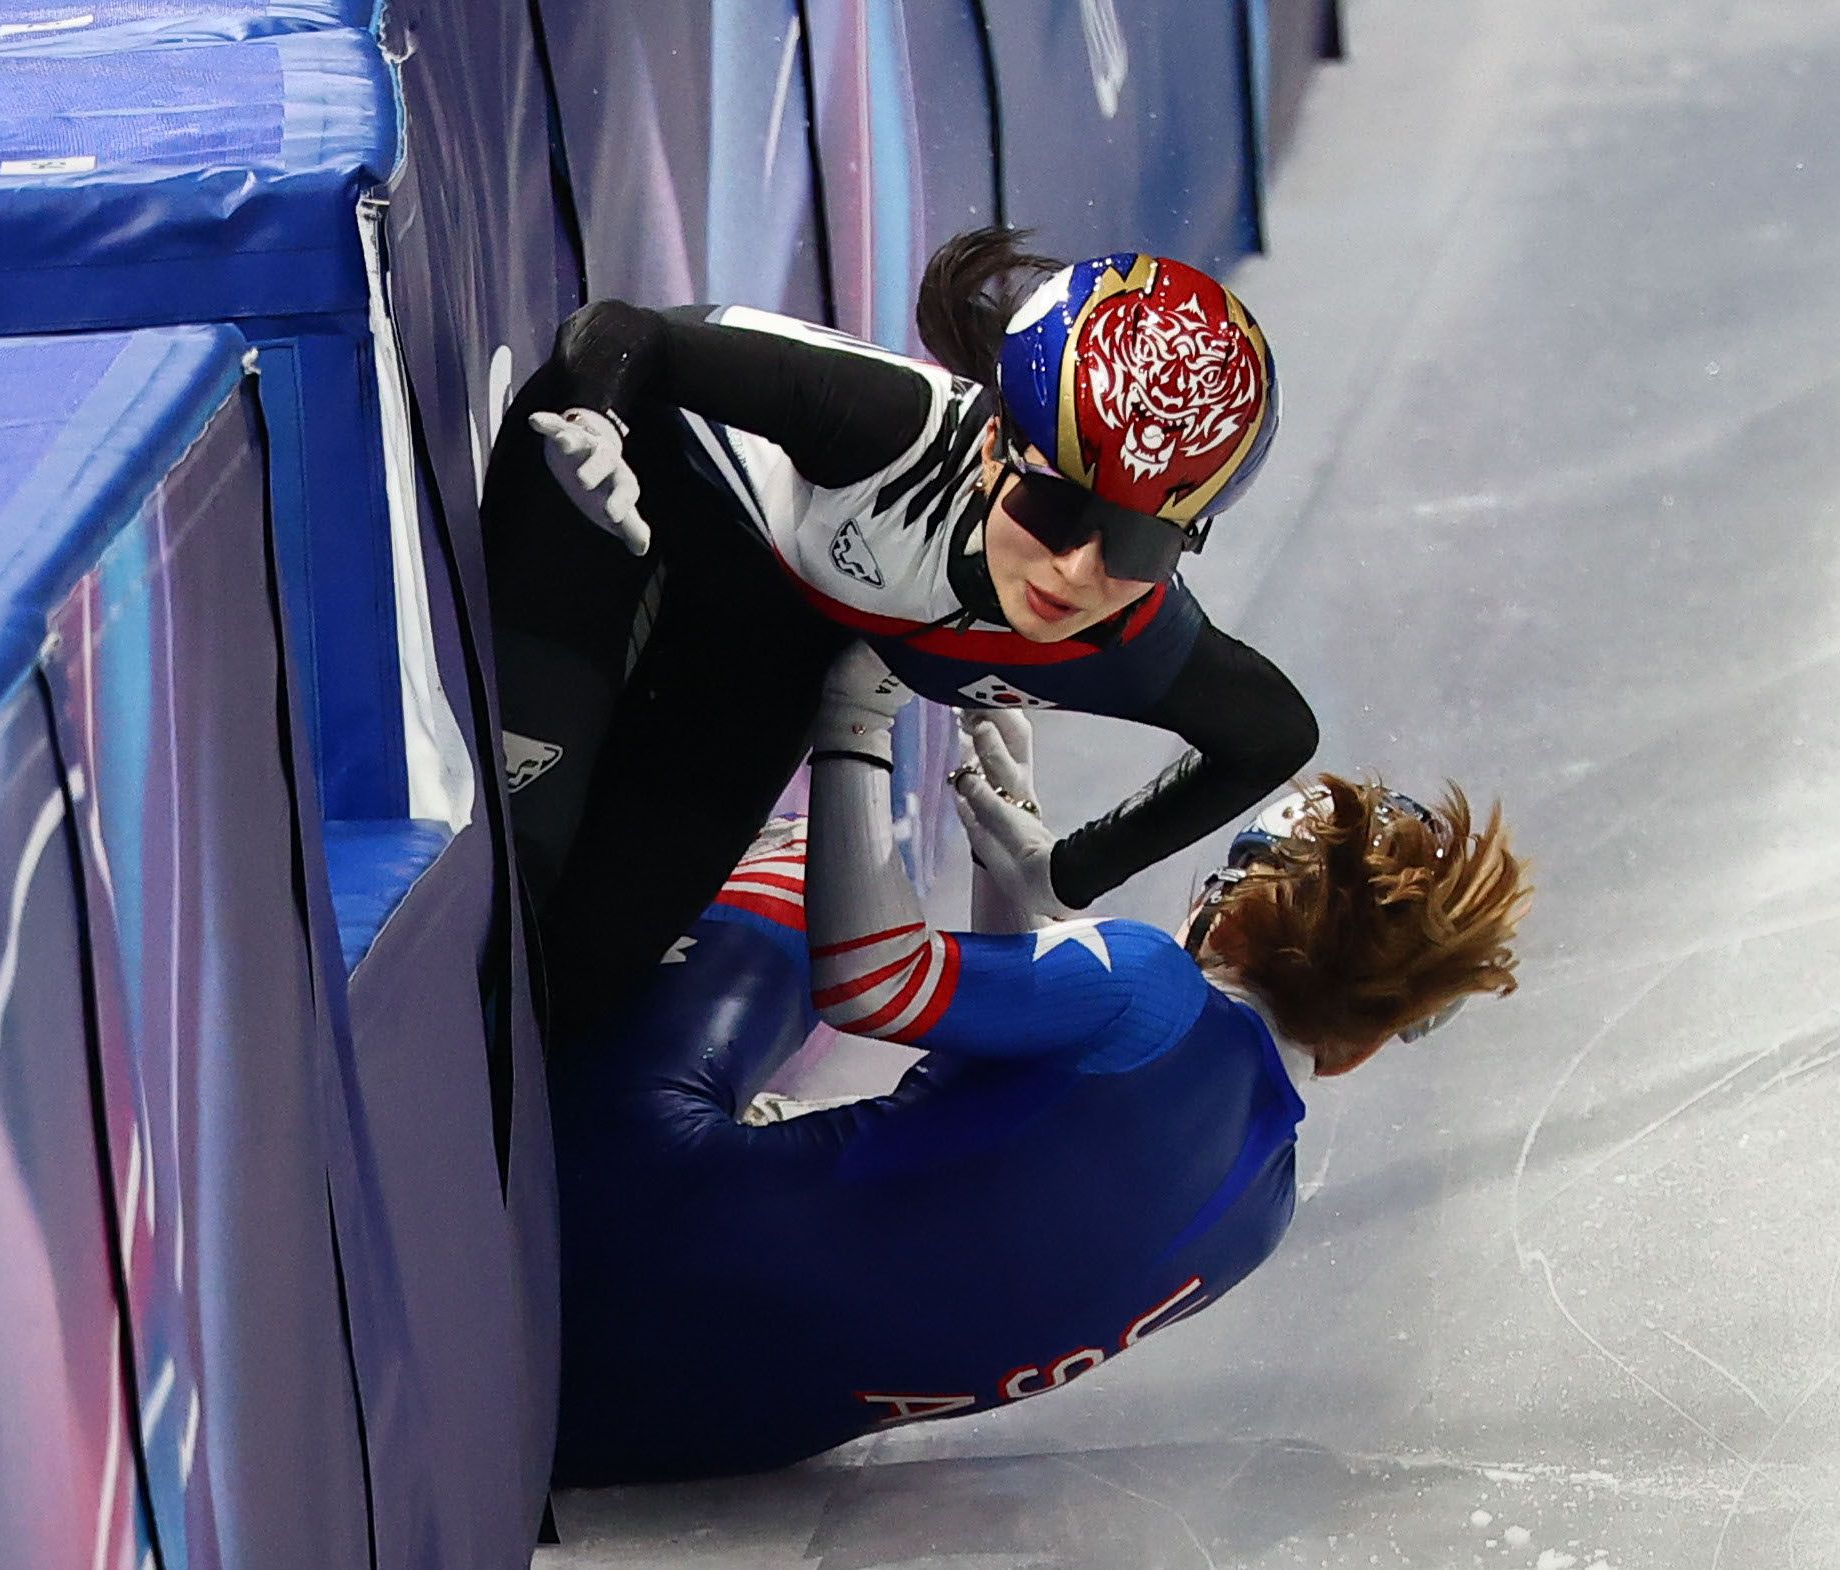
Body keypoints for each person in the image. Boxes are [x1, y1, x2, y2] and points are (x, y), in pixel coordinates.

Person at [546, 647, 1529, 1485]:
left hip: (597, 1237)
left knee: (802, 865)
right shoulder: (1259, 1212)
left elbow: (871, 986)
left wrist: (855, 714)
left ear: (1222, 905)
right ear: (1360, 1048)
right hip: (675, 1433)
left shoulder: (1142, 985)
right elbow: (1000, 1148)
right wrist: (1014, 897)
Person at [482, 228, 1316, 1034]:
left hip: (776, 626)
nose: (1075, 571)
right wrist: (597, 420)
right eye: (1055, 506)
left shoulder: (1134, 640)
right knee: (520, 860)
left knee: (588, 968)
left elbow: (1274, 736)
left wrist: (1068, 870)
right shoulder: (886, 427)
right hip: (624, 483)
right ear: (994, 442)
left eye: (1140, 540)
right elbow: (625, 331)